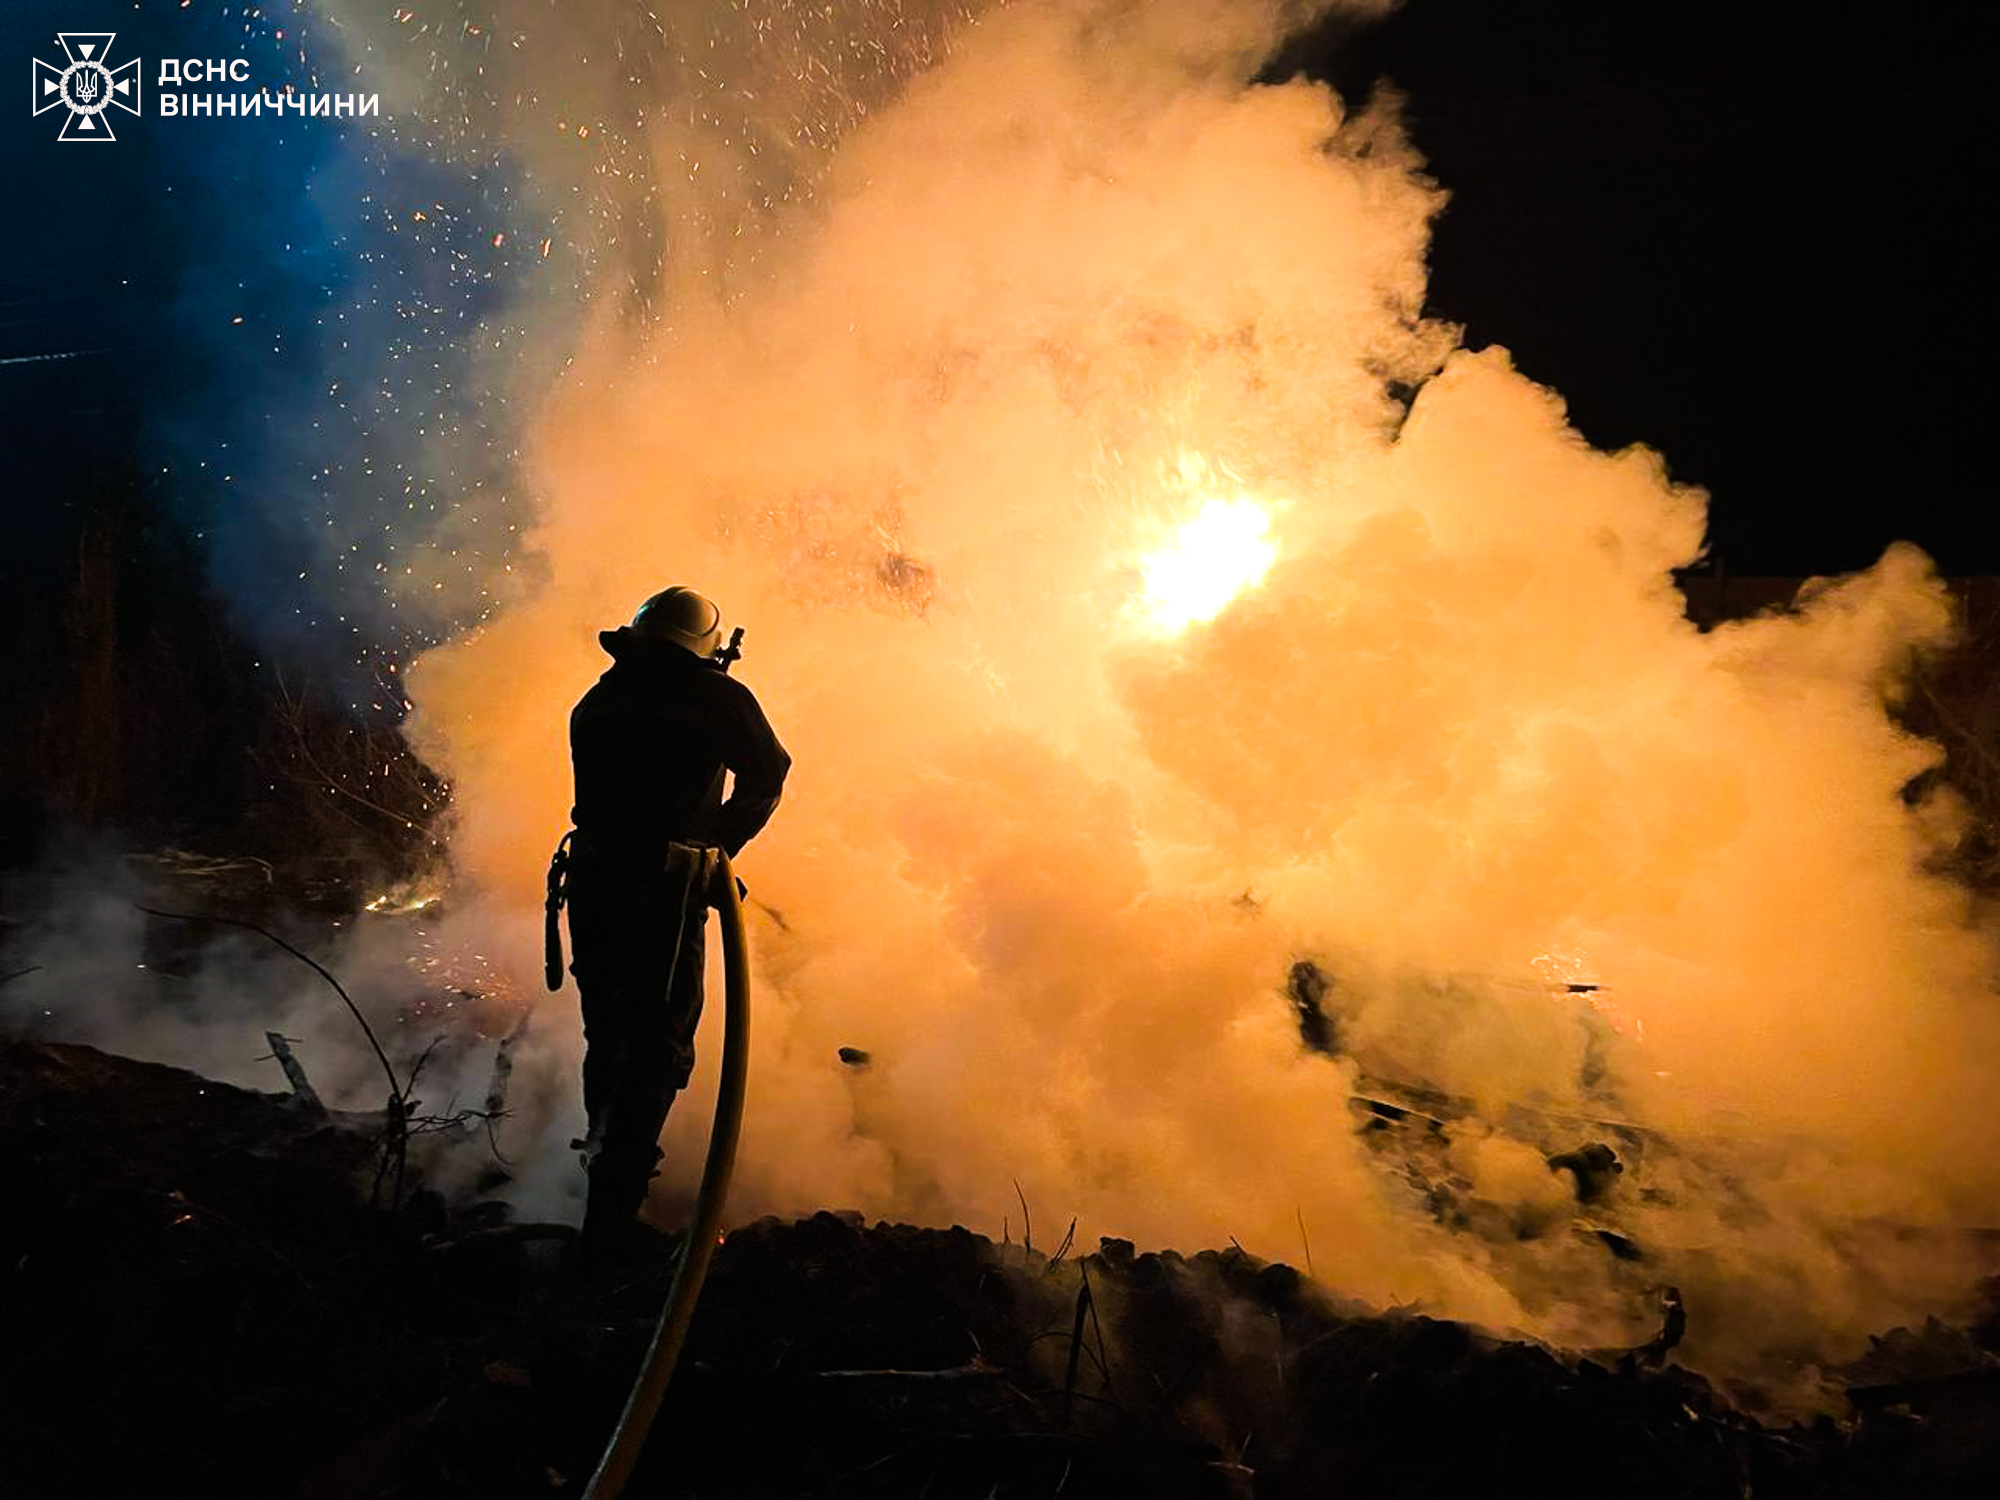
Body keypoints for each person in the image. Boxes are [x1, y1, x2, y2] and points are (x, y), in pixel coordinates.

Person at [564, 585, 790, 1244]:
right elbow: (769, 774)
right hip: (661, 898)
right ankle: (611, 1222)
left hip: (592, 889)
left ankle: (599, 1184)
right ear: (705, 650)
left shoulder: (600, 699)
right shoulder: (715, 696)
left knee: (607, 1036)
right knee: (658, 1047)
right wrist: (713, 848)